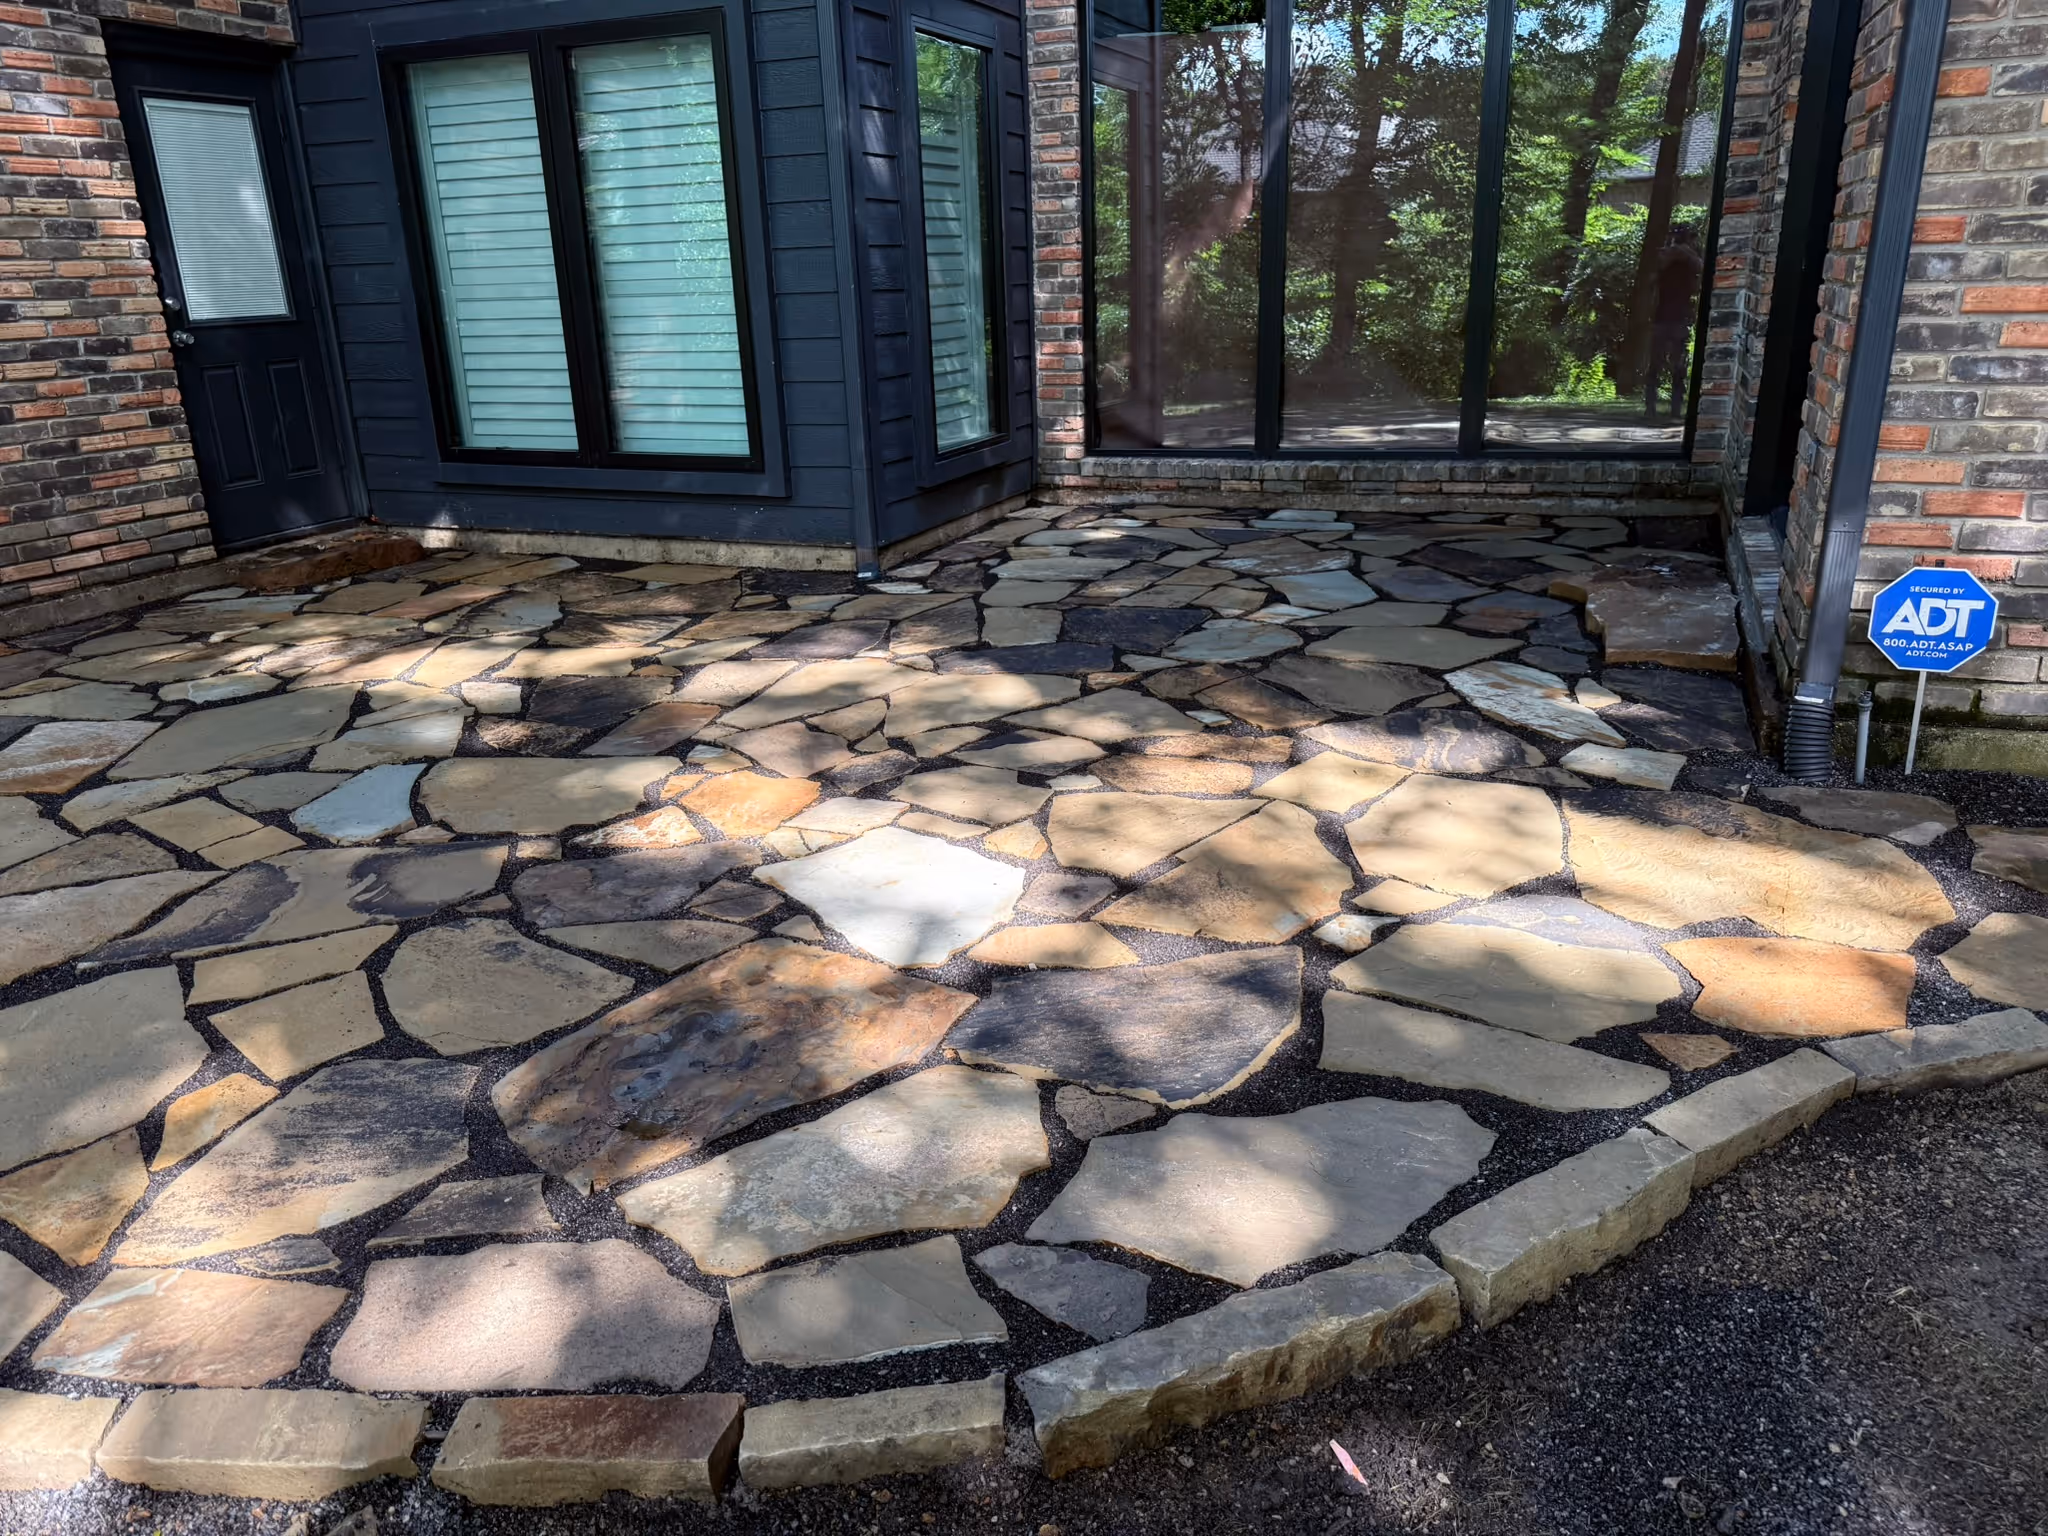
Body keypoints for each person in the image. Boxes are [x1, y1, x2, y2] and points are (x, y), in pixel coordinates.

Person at [1645, 225, 1703, 418]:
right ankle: (1651, 408)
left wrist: (1683, 252)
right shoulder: (1665, 256)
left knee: (1677, 366)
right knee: (1656, 365)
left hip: (1678, 317)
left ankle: (1674, 409)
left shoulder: (1688, 259)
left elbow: (1699, 268)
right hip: (1664, 317)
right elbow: (1655, 272)